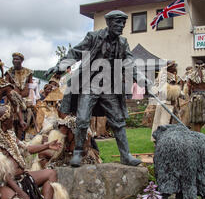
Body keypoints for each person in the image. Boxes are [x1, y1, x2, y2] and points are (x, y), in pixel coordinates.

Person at [45, 10, 148, 167]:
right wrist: (60, 65)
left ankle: (125, 155)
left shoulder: (123, 43)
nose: (121, 26)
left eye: (123, 23)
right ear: (108, 23)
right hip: (89, 84)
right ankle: (78, 153)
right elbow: (75, 52)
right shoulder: (93, 37)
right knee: (82, 119)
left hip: (109, 87)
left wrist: (141, 79)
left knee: (118, 121)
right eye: (117, 23)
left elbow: (130, 63)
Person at [151, 60, 183, 141]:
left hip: (162, 102)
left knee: (158, 121)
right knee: (164, 122)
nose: (176, 68)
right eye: (174, 66)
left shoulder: (162, 76)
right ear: (170, 68)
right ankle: (162, 140)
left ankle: (158, 139)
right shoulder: (168, 77)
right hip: (167, 103)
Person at [5, 52, 35, 140]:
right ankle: (13, 140)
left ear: (21, 61)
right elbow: (6, 88)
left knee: (26, 122)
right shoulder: (9, 73)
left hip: (25, 101)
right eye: (13, 59)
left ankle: (23, 140)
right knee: (13, 122)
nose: (15, 61)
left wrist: (32, 100)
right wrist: (6, 103)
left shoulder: (28, 72)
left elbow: (31, 87)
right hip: (13, 101)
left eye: (17, 59)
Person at [186, 60, 205, 139]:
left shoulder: (191, 75)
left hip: (196, 96)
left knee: (197, 117)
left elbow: (189, 88)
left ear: (195, 66)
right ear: (204, 66)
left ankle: (198, 135)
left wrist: (190, 95)